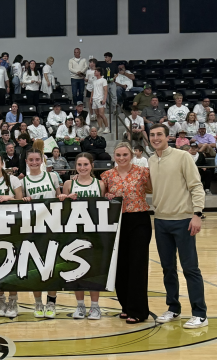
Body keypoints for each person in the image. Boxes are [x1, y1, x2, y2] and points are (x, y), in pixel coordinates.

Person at [148, 124, 208, 329]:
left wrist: (197, 214)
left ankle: (200, 313)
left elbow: (196, 186)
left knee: (190, 268)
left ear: (168, 137)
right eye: (152, 135)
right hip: (161, 220)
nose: (155, 138)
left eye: (159, 135)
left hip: (183, 219)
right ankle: (173, 308)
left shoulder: (183, 157)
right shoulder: (151, 159)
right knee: (168, 268)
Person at [102, 143, 153, 323]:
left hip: (139, 220)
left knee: (137, 265)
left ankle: (138, 310)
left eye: (125, 154)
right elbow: (102, 196)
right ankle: (125, 305)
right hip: (116, 222)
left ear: (131, 155)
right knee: (120, 265)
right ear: (113, 156)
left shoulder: (143, 172)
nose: (122, 158)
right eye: (118, 155)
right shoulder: (107, 176)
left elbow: (152, 189)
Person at [59, 152, 106, 320]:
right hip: (74, 233)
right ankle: (80, 305)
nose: (82, 168)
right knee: (75, 270)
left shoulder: (100, 184)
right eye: (79, 165)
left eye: (86, 164)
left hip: (95, 233)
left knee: (95, 270)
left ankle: (95, 306)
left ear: (92, 165)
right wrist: (63, 198)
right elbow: (62, 207)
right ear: (75, 166)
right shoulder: (68, 184)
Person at [21, 149, 62, 318]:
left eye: (37, 159)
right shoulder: (22, 181)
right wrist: (24, 200)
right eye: (31, 160)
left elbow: (60, 197)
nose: (34, 162)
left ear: (42, 160)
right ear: (26, 161)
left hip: (53, 225)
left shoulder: (52, 177)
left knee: (52, 265)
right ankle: (38, 302)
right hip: (33, 228)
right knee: (35, 267)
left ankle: (51, 302)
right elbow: (20, 204)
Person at [0, 151, 24, 317]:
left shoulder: (12, 179)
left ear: (2, 163)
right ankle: (0, 300)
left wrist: (8, 197)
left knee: (12, 265)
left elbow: (21, 200)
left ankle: (13, 300)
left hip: (12, 227)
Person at [89, 68, 109, 133]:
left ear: (99, 72)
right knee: (97, 114)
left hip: (100, 98)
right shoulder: (94, 81)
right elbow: (93, 90)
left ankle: (106, 127)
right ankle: (100, 127)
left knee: (101, 114)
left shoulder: (103, 80)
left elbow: (105, 90)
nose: (94, 72)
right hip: (94, 98)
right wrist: (91, 98)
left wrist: (104, 99)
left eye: (96, 71)